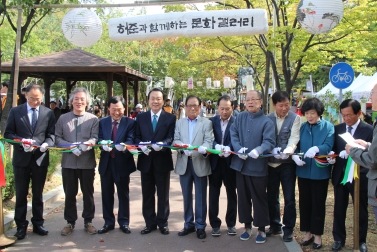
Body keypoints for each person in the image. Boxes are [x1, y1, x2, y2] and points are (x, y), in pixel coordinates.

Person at [4, 84, 55, 240]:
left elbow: (51, 135)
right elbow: (8, 134)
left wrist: (47, 144)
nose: (35, 102)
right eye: (32, 99)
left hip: (40, 158)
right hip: (21, 159)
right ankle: (21, 226)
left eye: (38, 99)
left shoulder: (48, 113)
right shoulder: (15, 111)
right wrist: (21, 142)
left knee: (38, 194)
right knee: (21, 194)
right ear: (26, 95)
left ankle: (38, 223)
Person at [230, 90, 275, 244]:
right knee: (243, 198)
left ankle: (261, 228)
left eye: (253, 99)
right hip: (240, 166)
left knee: (259, 198)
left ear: (261, 101)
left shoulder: (267, 121)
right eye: (247, 99)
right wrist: (237, 148)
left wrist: (259, 150)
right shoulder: (239, 117)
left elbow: (269, 141)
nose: (250, 102)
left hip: (258, 167)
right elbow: (233, 133)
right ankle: (247, 227)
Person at [55, 87, 99, 236]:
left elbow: (95, 137)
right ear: (71, 101)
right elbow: (57, 137)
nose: (79, 101)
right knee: (69, 193)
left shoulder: (93, 119)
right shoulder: (63, 118)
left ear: (87, 102)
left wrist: (86, 146)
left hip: (87, 162)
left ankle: (88, 221)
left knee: (88, 193)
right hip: (68, 162)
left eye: (82, 99)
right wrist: (69, 146)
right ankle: (70, 222)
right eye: (76, 98)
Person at [292, 97, 334, 250]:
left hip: (320, 172)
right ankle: (307, 233)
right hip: (303, 170)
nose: (309, 116)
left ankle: (317, 235)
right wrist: (295, 155)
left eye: (312, 113)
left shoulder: (328, 127)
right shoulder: (302, 127)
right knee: (305, 203)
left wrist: (318, 148)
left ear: (319, 112)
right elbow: (294, 143)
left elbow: (328, 145)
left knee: (318, 204)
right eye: (307, 113)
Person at [331, 99, 372, 252]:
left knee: (361, 210)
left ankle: (360, 241)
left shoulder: (368, 130)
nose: (346, 119)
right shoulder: (338, 129)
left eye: (349, 115)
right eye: (343, 115)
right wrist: (332, 155)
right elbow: (334, 148)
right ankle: (338, 239)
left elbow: (371, 152)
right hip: (341, 174)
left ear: (358, 113)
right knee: (339, 208)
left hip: (360, 175)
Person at [135, 88, 176, 235]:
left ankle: (163, 223)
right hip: (145, 160)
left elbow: (171, 137)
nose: (155, 101)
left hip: (162, 160)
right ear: (148, 100)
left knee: (163, 194)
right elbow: (136, 136)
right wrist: (140, 145)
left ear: (163, 101)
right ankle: (149, 223)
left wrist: (163, 145)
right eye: (153, 98)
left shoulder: (170, 118)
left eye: (158, 99)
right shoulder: (141, 117)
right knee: (147, 194)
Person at [173, 95, 214, 239]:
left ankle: (200, 225)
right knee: (186, 196)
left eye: (195, 105)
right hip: (184, 162)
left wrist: (203, 148)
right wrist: (182, 148)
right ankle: (188, 224)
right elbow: (176, 139)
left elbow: (209, 140)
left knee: (201, 196)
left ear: (200, 106)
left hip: (200, 162)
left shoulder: (206, 123)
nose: (192, 108)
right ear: (184, 106)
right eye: (189, 105)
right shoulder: (180, 123)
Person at [97, 96, 136, 235]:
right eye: (113, 109)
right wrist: (102, 145)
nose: (116, 112)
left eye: (119, 109)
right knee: (106, 194)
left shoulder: (130, 122)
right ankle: (108, 222)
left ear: (124, 108)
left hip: (123, 162)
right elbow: (99, 138)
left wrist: (124, 146)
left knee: (123, 194)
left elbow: (131, 138)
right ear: (108, 108)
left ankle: (124, 222)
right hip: (107, 163)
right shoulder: (102, 122)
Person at [266, 91, 300, 242]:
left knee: (289, 198)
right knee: (272, 196)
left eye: (287, 105)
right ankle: (274, 225)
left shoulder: (295, 118)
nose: (284, 108)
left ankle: (288, 229)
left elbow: (294, 138)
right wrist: (269, 150)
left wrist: (288, 151)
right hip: (270, 163)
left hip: (287, 165)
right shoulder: (267, 119)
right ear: (274, 105)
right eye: (281, 106)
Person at [346, 85, 377, 248]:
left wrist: (353, 152)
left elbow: (372, 159)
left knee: (362, 210)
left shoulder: (370, 127)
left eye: (373, 94)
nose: (370, 98)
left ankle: (362, 241)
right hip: (344, 178)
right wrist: (368, 145)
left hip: (369, 178)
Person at [208, 95, 237, 236]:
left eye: (227, 108)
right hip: (215, 163)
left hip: (230, 163)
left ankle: (231, 224)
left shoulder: (236, 122)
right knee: (214, 194)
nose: (224, 111)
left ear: (232, 108)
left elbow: (238, 138)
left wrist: (229, 148)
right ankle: (214, 224)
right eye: (222, 108)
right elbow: (209, 138)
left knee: (232, 193)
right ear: (217, 108)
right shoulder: (211, 121)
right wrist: (215, 147)